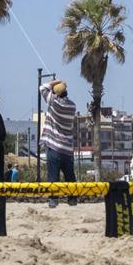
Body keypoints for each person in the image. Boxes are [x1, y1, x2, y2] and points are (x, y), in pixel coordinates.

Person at [38, 78, 79, 206]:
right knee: (69, 176)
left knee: (53, 175)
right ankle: (72, 199)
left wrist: (56, 81)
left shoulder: (54, 103)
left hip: (54, 146)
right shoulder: (72, 106)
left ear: (56, 94)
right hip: (67, 147)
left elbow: (42, 88)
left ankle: (53, 200)